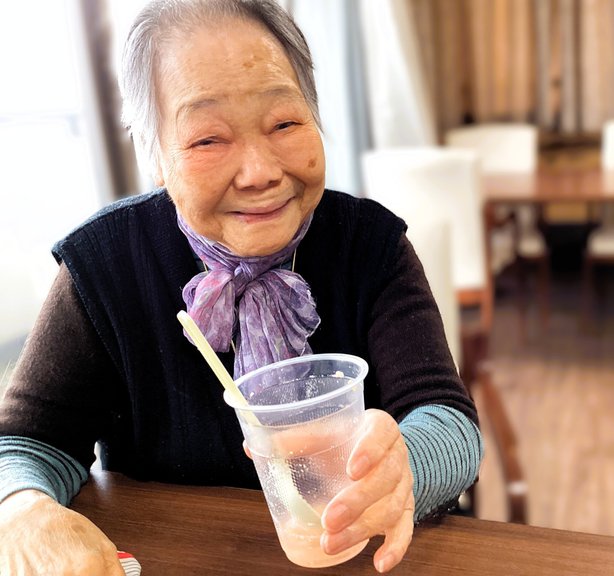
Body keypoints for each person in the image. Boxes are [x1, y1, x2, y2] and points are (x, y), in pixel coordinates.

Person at [0, 0, 483, 573]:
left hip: (363, 557)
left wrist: (403, 469)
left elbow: (449, 422)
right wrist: (20, 509)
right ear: (156, 156)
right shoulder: (105, 264)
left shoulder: (368, 244)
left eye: (285, 123)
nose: (260, 172)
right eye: (208, 139)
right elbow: (26, 442)